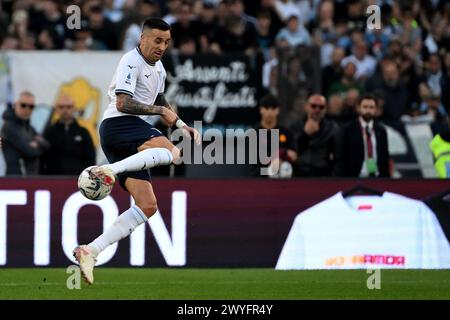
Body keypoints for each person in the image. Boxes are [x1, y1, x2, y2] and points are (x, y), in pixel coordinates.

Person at [73, 18, 200, 284]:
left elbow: (160, 99)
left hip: (127, 135)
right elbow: (122, 102)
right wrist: (161, 112)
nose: (161, 46)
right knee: (172, 152)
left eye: (166, 42)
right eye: (157, 40)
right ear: (142, 38)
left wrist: (180, 123)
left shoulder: (160, 69)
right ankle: (108, 170)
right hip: (118, 125)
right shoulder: (131, 61)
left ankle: (91, 250)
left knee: (148, 205)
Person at [335, 94, 390, 178]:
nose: (368, 110)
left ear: (376, 110)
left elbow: (385, 157)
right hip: (355, 178)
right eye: (365, 107)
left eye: (371, 107)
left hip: (377, 178)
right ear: (358, 108)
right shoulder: (348, 129)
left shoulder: (381, 130)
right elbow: (342, 157)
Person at [40, 95, 96, 175]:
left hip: (78, 181)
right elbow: (42, 159)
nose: (65, 110)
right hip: (53, 181)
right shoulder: (49, 132)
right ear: (57, 109)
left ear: (74, 109)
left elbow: (91, 160)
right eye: (61, 107)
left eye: (68, 107)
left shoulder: (83, 132)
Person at [1, 91, 49, 175]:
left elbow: (47, 145)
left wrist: (36, 144)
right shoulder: (9, 126)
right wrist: (37, 143)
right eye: (23, 105)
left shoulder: (28, 126)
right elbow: (30, 151)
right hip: (12, 179)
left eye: (31, 106)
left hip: (27, 178)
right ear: (15, 105)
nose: (27, 109)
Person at [289, 94, 338, 177]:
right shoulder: (295, 126)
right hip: (299, 173)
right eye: (313, 106)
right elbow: (292, 150)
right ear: (306, 107)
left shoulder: (332, 127)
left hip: (323, 174)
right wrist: (305, 134)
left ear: (325, 109)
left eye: (321, 107)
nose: (317, 109)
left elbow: (337, 151)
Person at [252, 93, 297, 177]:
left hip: (283, 176)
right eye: (266, 108)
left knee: (285, 168)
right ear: (261, 110)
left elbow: (294, 155)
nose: (270, 112)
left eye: (273, 108)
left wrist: (281, 163)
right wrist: (283, 153)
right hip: (260, 176)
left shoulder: (286, 132)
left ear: (278, 110)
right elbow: (255, 164)